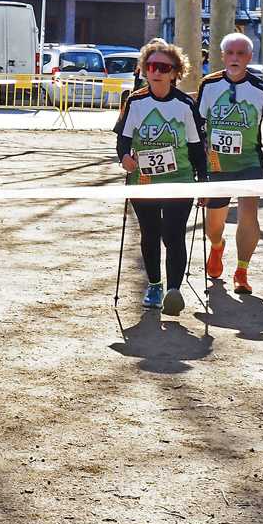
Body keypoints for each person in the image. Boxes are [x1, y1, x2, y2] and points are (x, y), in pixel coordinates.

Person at [114, 39, 207, 316]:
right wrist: (124, 158)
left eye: (164, 68)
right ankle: (155, 285)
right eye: (152, 66)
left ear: (175, 72)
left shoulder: (185, 104)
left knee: (173, 233)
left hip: (179, 179)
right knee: (150, 233)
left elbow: (197, 148)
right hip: (144, 180)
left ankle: (173, 291)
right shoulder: (135, 101)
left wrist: (204, 183)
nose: (157, 72)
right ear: (144, 69)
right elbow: (123, 140)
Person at [196, 32, 263, 294]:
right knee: (214, 225)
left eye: (240, 54)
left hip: (249, 162)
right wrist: (198, 160)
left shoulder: (262, 89)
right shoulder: (209, 84)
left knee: (248, 215)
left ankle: (242, 271)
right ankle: (217, 247)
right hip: (216, 164)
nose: (235, 58)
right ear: (222, 56)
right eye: (230, 53)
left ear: (249, 57)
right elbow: (197, 124)